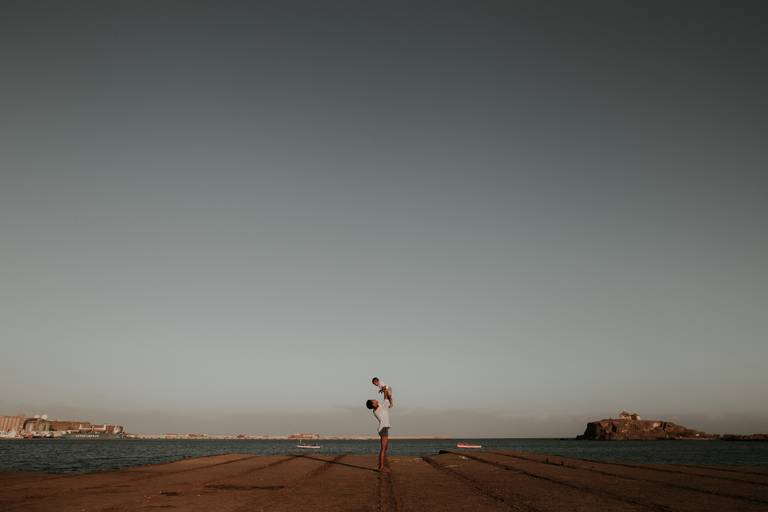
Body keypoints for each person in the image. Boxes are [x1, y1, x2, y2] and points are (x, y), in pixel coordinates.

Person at [365, 398, 391, 472]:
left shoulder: (378, 407)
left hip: (384, 428)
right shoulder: (377, 410)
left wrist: (384, 390)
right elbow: (385, 399)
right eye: (374, 401)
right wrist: (384, 390)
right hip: (383, 429)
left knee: (385, 448)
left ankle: (380, 464)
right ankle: (381, 467)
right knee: (383, 449)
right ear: (373, 405)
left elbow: (386, 399)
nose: (376, 400)